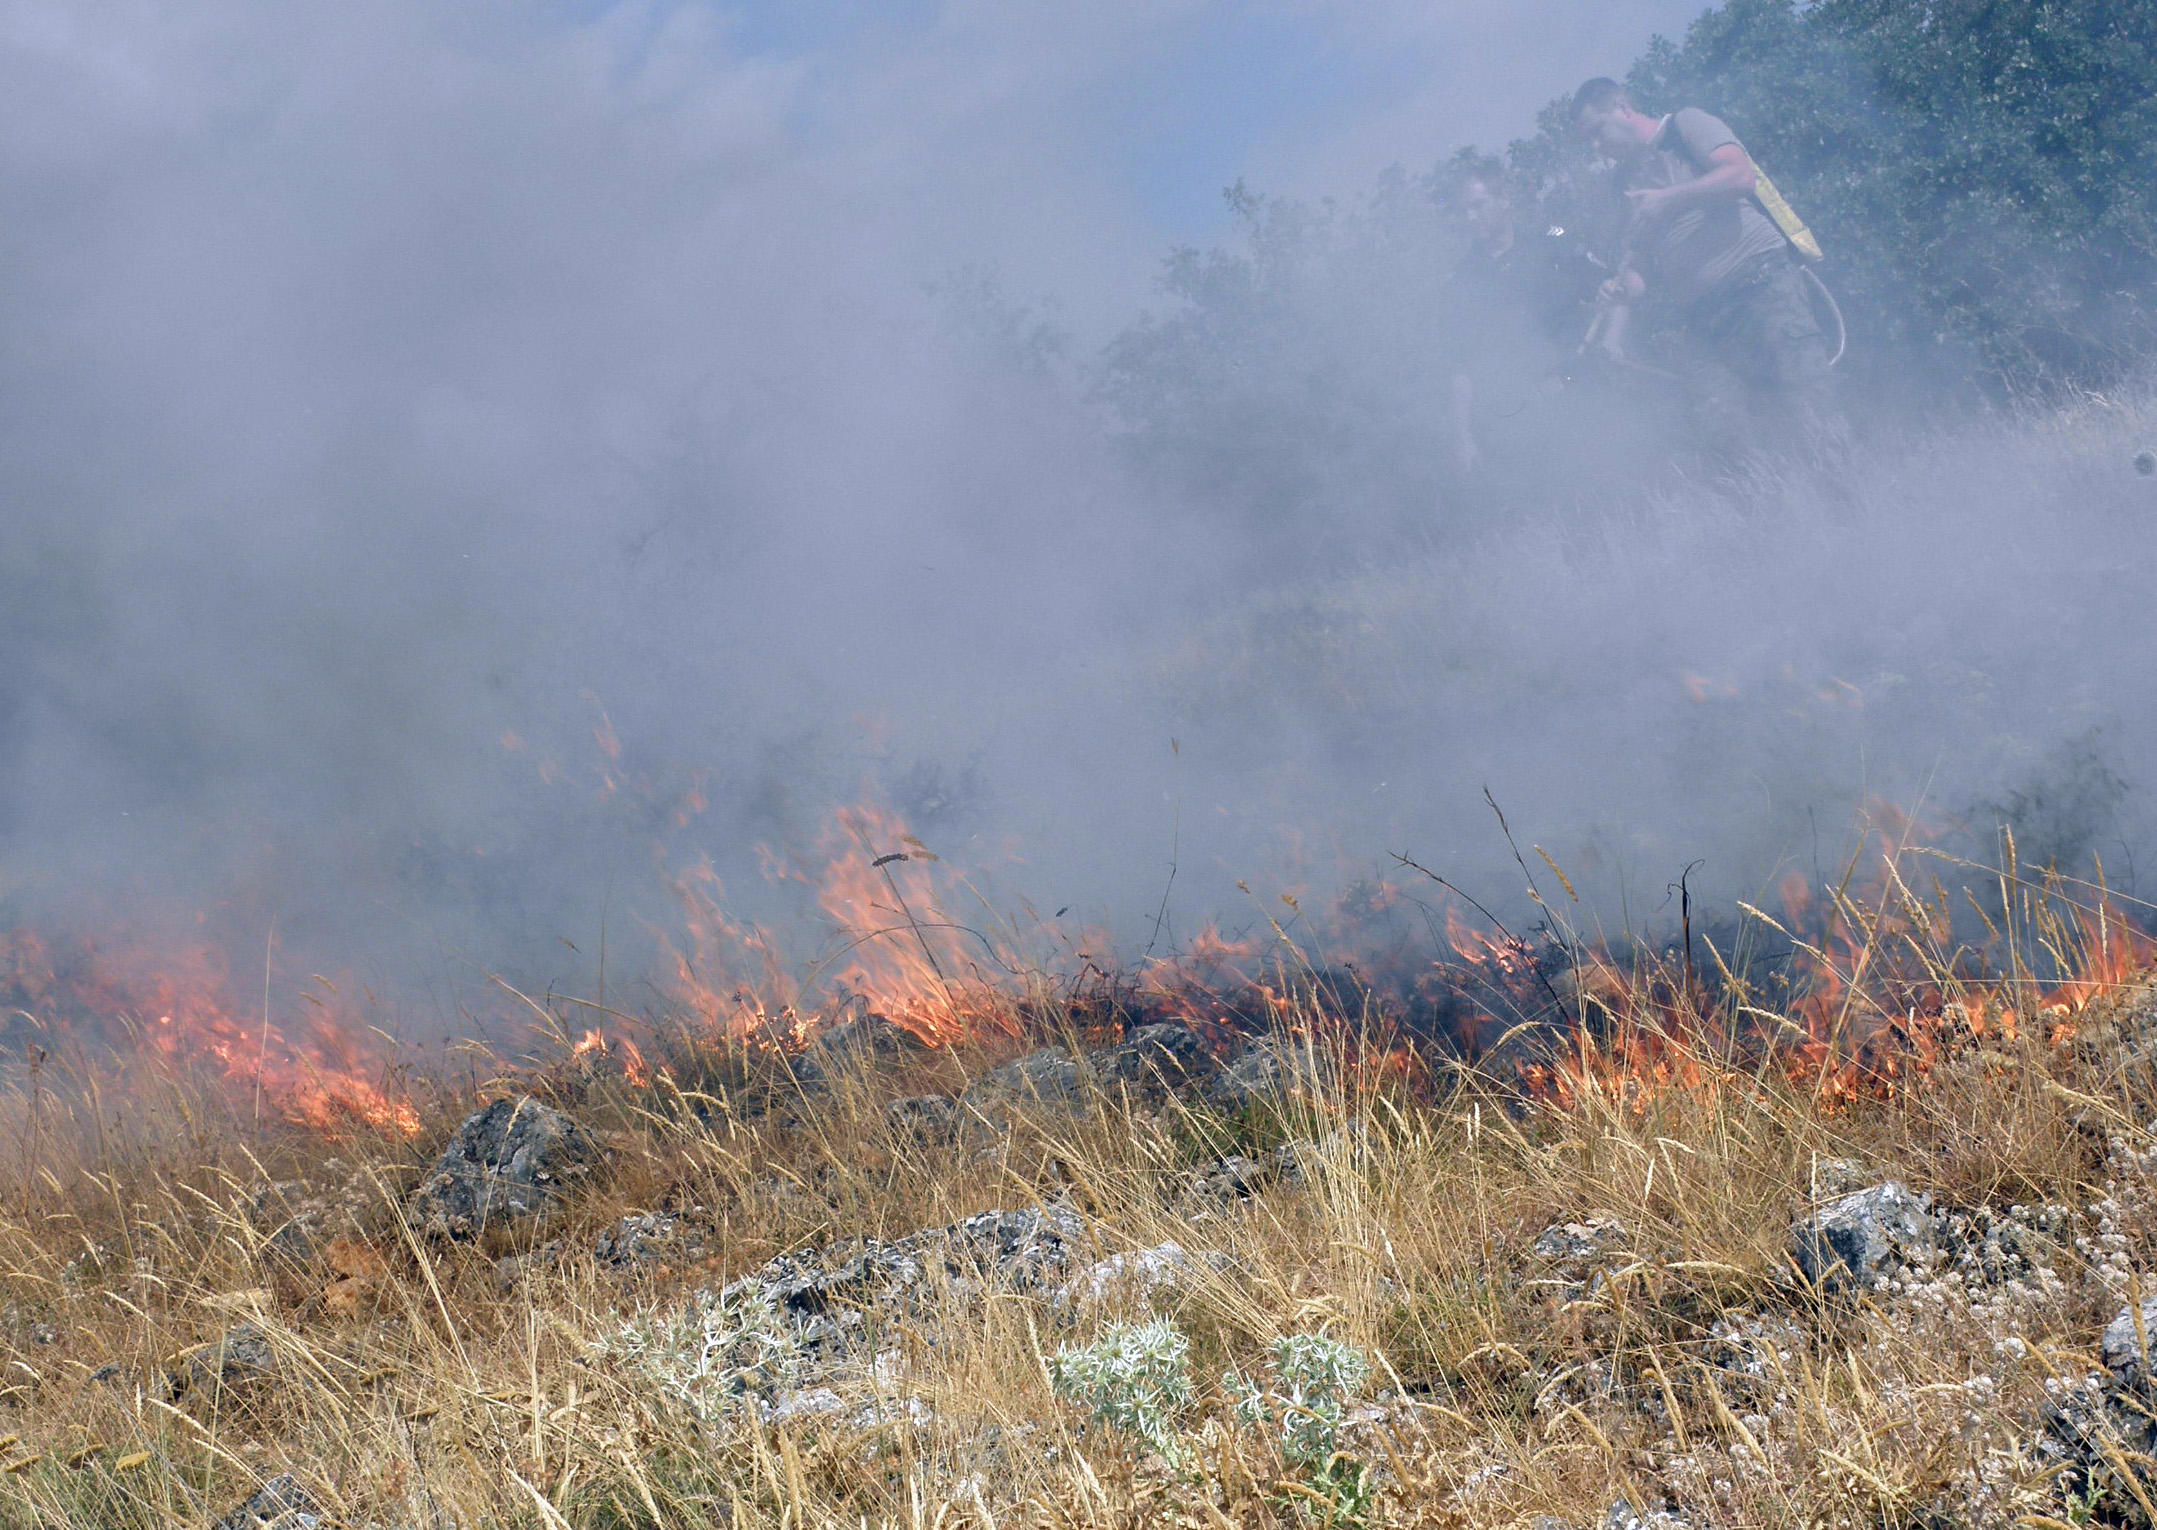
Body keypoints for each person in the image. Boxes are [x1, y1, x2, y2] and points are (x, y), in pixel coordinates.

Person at [1569, 78, 1845, 467]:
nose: (1597, 149)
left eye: (1597, 132)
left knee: (1810, 405)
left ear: (1622, 107)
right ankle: (1778, 509)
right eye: (1589, 142)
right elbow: (1640, 268)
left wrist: (1668, 200)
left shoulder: (1685, 126)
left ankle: (1851, 497)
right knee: (1724, 434)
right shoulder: (1623, 186)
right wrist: (1619, 291)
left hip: (1764, 285)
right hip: (1704, 318)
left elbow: (1739, 176)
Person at [1441, 158, 1607, 481]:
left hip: (1587, 394)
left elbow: (1613, 292)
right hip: (1522, 418)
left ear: (1504, 199)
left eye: (1478, 205)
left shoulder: (1552, 245)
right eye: (1464, 210)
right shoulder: (1462, 279)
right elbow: (1460, 365)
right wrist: (1463, 439)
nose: (1471, 217)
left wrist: (1610, 342)